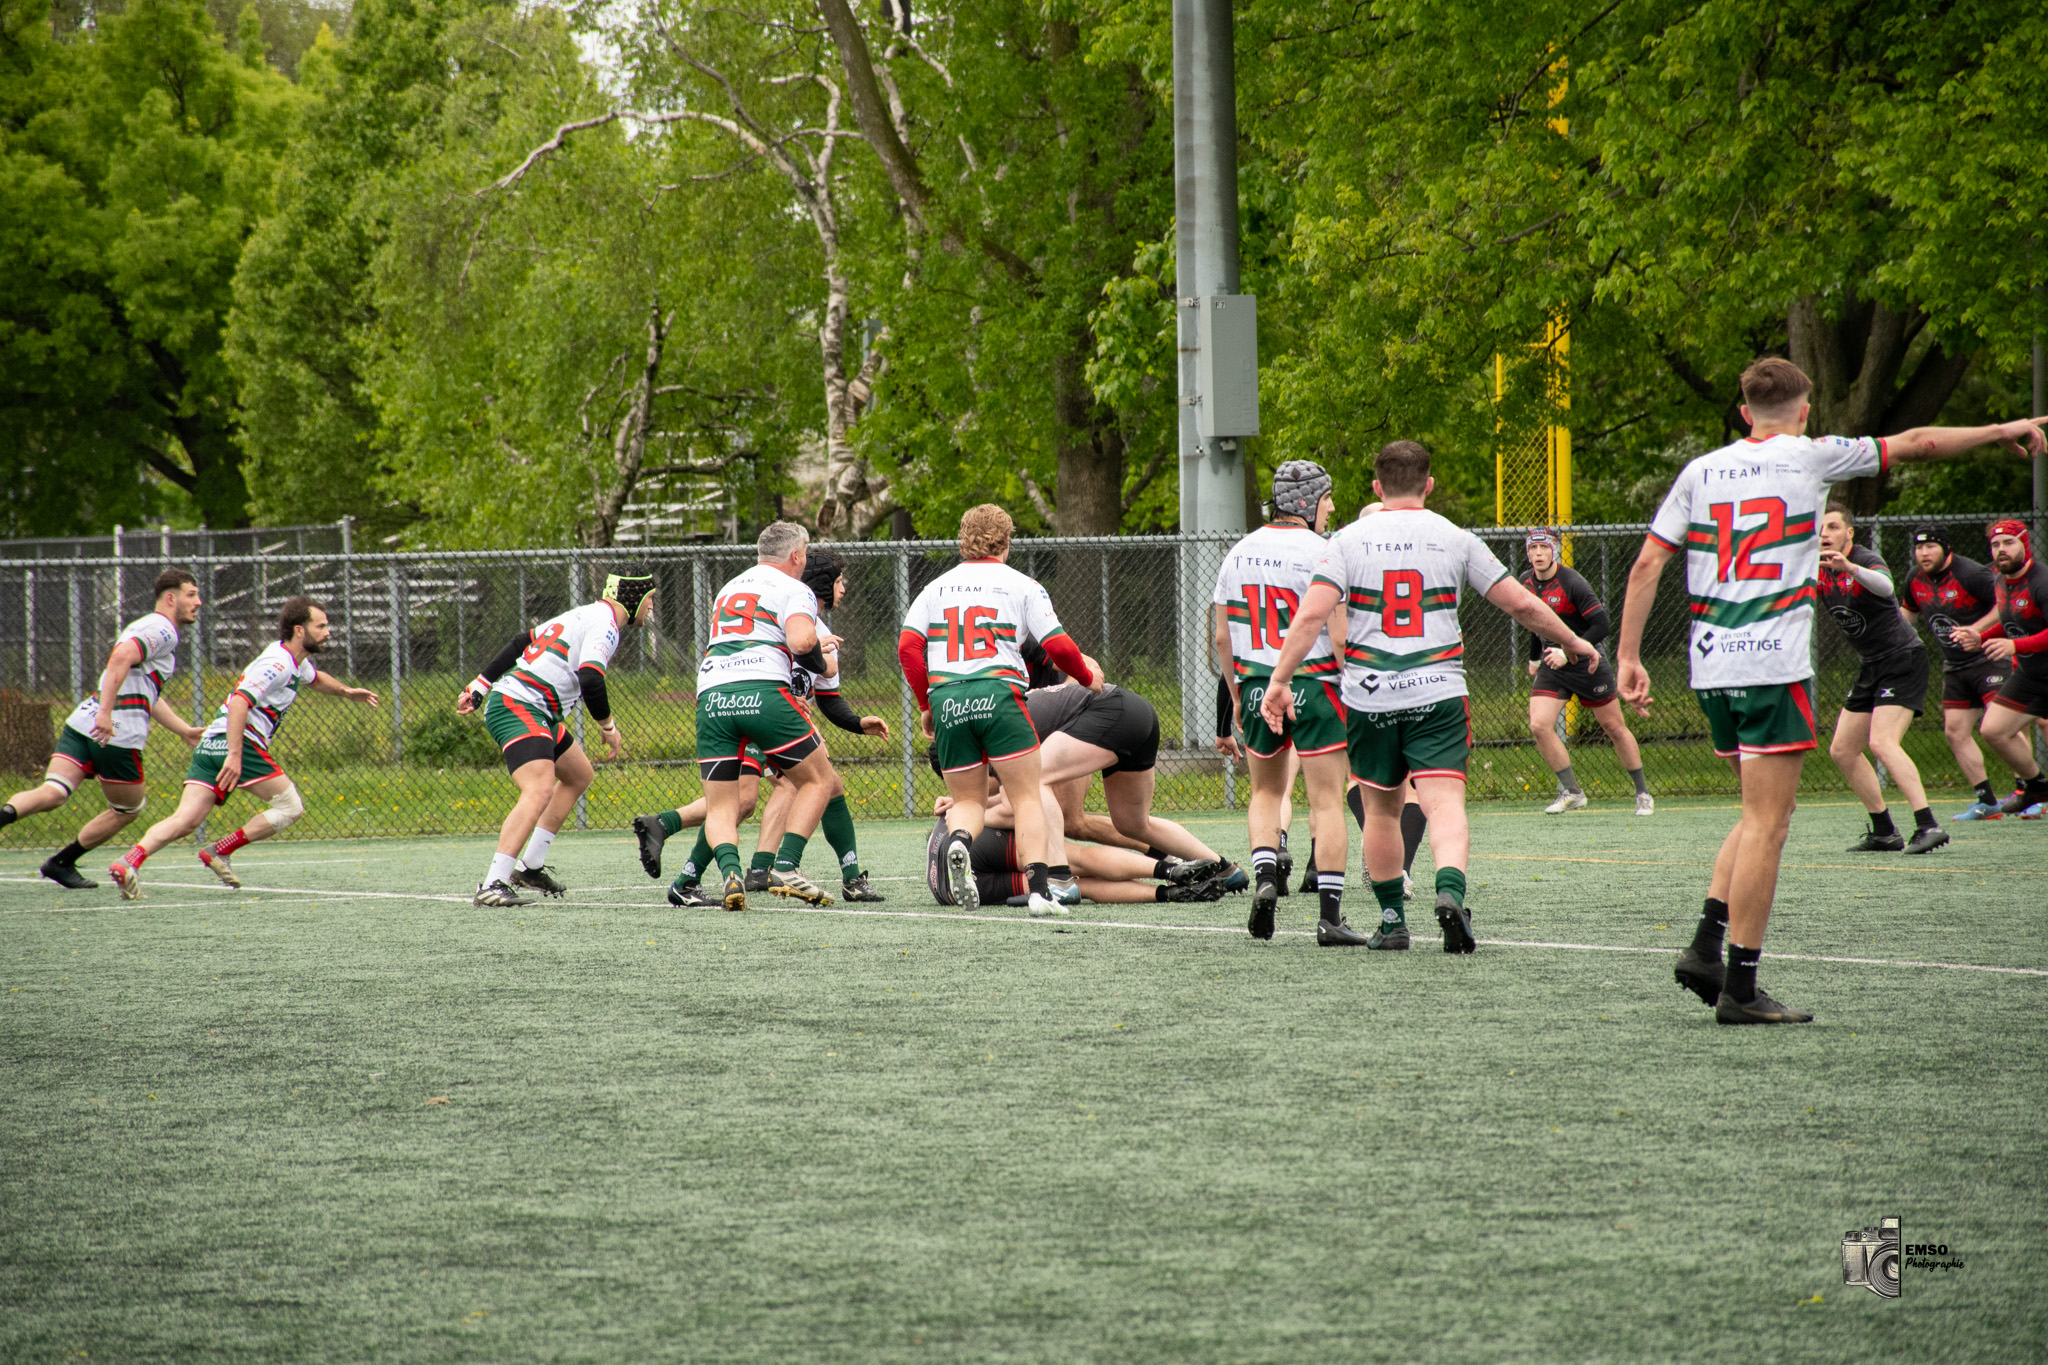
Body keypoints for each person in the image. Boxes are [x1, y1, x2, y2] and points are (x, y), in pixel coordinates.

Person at [1618, 355, 2045, 1025]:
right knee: (1769, 822)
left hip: (1712, 666)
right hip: (1770, 665)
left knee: (1755, 811)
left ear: (1742, 411)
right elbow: (1917, 443)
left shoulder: (1699, 473)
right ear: (1805, 411)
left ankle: (1706, 944)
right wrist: (1999, 429)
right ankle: (1741, 984)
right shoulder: (1811, 457)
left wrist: (1628, 655)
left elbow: (1647, 561)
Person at [1263, 440, 1599, 954]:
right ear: (1429, 484)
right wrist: (1574, 641)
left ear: (1377, 487)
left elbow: (1310, 616)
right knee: (1444, 805)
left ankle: (1394, 921)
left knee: (1381, 811)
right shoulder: (1455, 537)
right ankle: (1449, 893)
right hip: (1438, 691)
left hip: (1371, 696)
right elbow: (1522, 605)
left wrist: (1281, 680)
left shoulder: (1348, 540)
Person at [636, 547, 890, 906]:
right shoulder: (798, 610)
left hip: (728, 700)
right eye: (838, 581)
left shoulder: (775, 603)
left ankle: (682, 858)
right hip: (764, 708)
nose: (844, 588)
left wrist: (856, 721)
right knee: (810, 783)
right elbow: (815, 661)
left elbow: (828, 692)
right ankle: (775, 866)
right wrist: (806, 668)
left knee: (742, 802)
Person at [897, 504, 1097, 916]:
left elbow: (907, 648)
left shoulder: (936, 588)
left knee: (968, 803)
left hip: (950, 698)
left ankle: (958, 844)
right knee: (1026, 797)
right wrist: (1086, 677)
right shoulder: (1022, 584)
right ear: (1006, 542)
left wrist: (925, 703)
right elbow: (1057, 646)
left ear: (962, 540)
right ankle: (1041, 891)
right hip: (1000, 694)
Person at [108, 598, 380, 899]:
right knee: (290, 808)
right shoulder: (276, 664)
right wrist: (235, 756)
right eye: (322, 626)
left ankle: (129, 862)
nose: (328, 631)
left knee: (185, 820)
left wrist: (345, 691)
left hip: (212, 742)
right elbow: (240, 701)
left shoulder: (294, 662)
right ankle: (219, 851)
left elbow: (315, 679)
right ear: (300, 630)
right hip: (239, 743)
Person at [1212, 460, 1363, 943]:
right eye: (1327, 499)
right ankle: (1330, 917)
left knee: (1265, 794)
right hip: (1317, 685)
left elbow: (1221, 638)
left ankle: (1265, 881)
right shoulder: (1325, 551)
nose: (1333, 507)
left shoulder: (1236, 553)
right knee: (1326, 804)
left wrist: (1238, 695)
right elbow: (1338, 638)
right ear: (1308, 502)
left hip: (1257, 686)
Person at [459, 570, 653, 907]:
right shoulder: (605, 626)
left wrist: (480, 683)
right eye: (650, 599)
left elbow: (523, 641)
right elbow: (591, 678)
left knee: (579, 774)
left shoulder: (586, 613)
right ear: (632, 598)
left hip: (535, 709)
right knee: (539, 789)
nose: (652, 607)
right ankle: (492, 883)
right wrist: (609, 728)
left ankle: (530, 868)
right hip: (519, 705)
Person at [0, 569, 204, 889]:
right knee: (128, 809)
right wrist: (107, 714)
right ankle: (62, 862)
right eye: (191, 595)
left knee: (53, 792)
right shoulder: (164, 628)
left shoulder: (147, 627)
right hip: (115, 734)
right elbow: (121, 656)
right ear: (170, 598)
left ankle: (8, 821)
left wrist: (184, 730)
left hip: (84, 722)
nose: (198, 602)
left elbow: (144, 689)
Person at [693, 523, 843, 910]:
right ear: (796, 556)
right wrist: (822, 664)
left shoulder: (729, 587)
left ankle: (730, 874)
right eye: (805, 553)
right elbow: (802, 641)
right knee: (819, 779)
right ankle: (787, 865)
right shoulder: (796, 589)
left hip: (711, 694)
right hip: (761, 691)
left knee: (724, 806)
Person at [1023, 677, 1243, 902]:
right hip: (1135, 711)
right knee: (1133, 823)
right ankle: (1226, 869)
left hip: (1113, 711)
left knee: (1034, 777)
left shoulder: (996, 733)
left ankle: (1059, 880)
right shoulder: (1004, 709)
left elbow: (1009, 802)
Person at [1815, 504, 1947, 854]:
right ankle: (1884, 831)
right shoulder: (1816, 568)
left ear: (1849, 533)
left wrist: (1851, 568)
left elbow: (1886, 587)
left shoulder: (1862, 559)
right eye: (1819, 527)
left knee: (1882, 742)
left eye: (1832, 526)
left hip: (1902, 658)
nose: (1825, 533)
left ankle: (1928, 825)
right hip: (1871, 664)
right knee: (1842, 750)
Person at [1900, 523, 2036, 819]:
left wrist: (1976, 630)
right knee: (1955, 731)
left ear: (1947, 548)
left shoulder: (1971, 574)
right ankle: (1986, 801)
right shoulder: (1915, 578)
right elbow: (1906, 615)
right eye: (1919, 547)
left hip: (1989, 658)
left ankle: (2030, 791)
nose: (1924, 553)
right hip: (1954, 665)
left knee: (2002, 724)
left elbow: (2005, 605)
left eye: (1931, 546)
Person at [1519, 529, 1654, 815]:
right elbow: (1536, 622)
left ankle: (1642, 793)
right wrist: (1534, 658)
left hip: (1587, 663)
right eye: (1533, 549)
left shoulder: (1571, 582)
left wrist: (1570, 651)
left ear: (1554, 550)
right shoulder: (1525, 583)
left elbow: (1601, 626)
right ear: (1527, 553)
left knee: (1614, 728)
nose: (1539, 554)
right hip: (1553, 664)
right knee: (1539, 725)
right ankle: (1572, 792)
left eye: (1544, 547)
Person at [925, 795, 1233, 909]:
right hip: (972, 843)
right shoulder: (1010, 731)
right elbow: (1010, 806)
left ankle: (1168, 894)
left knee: (1074, 885)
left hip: (946, 891)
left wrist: (965, 805)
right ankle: (1168, 871)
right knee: (1075, 858)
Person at [1954, 519, 2048, 815]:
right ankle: (2037, 787)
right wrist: (1979, 637)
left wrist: (2014, 646)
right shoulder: (2001, 582)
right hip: (2032, 675)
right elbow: (2011, 623)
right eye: (1995, 545)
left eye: (2008, 542)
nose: (2001, 550)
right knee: (1993, 730)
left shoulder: (2041, 582)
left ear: (2025, 544)